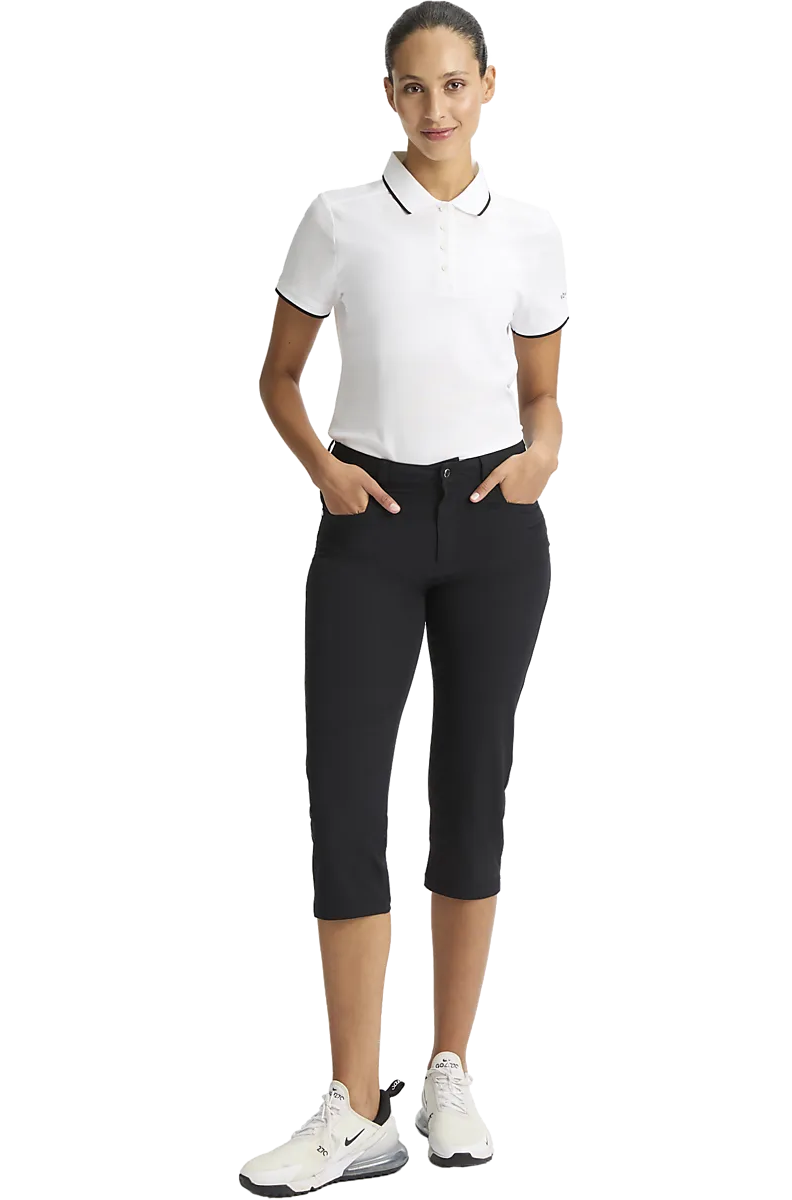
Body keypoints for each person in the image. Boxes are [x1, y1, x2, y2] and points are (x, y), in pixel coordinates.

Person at [240, 3, 569, 1195]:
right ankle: (354, 1103)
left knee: (472, 788)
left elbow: (542, 392)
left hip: (493, 527)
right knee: (344, 799)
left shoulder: (528, 230)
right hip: (367, 527)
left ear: (489, 87)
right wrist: (325, 469)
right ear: (389, 93)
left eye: (454, 84)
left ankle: (449, 1076)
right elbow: (281, 375)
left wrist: (542, 457)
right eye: (413, 86)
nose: (436, 107)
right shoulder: (336, 218)